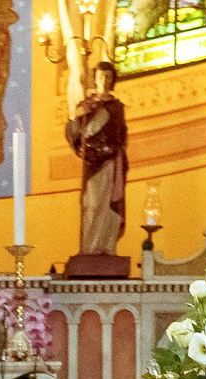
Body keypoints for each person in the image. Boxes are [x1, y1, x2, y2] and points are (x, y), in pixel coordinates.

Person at [64, 61, 129, 259]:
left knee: (107, 205)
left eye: (108, 76)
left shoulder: (116, 107)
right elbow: (74, 131)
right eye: (101, 76)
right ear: (95, 79)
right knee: (91, 204)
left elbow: (122, 134)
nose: (104, 80)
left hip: (110, 161)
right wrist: (76, 118)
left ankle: (106, 246)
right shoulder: (86, 105)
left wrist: (117, 148)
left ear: (113, 80)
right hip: (92, 162)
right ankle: (89, 248)